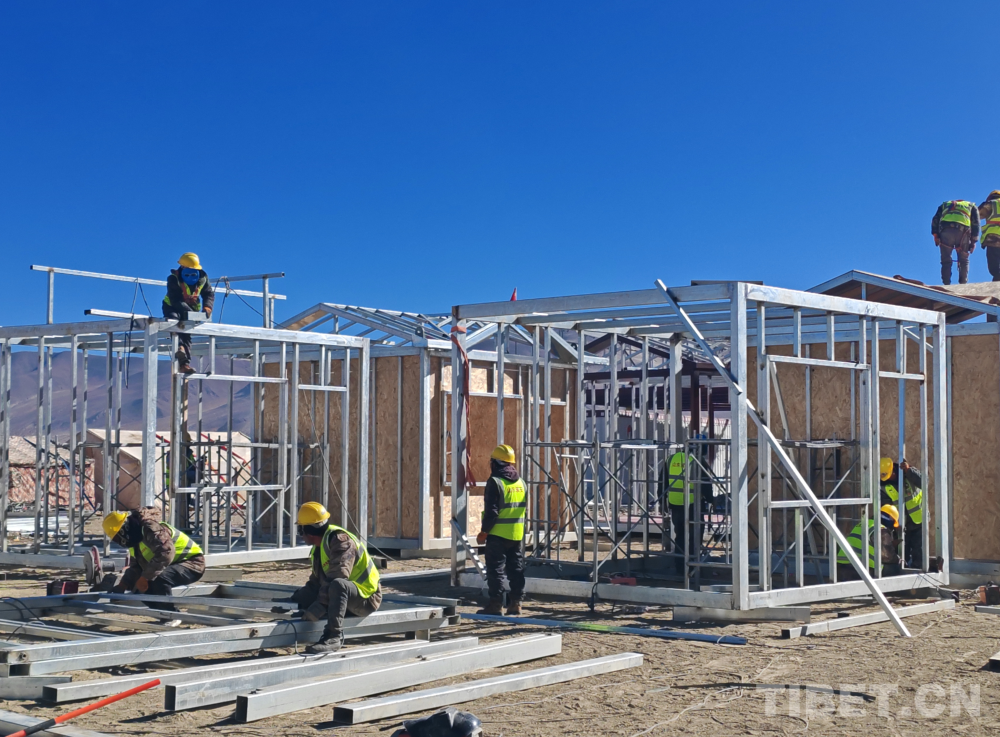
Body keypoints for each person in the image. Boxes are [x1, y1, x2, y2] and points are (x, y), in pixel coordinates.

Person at [287, 502, 382, 654]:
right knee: (322, 591)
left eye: (300, 530)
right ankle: (327, 620)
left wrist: (318, 608)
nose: (301, 535)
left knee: (338, 584)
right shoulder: (320, 547)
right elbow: (315, 584)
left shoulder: (341, 541)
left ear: (308, 531)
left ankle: (333, 636)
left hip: (366, 599)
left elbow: (338, 576)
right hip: (348, 599)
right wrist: (291, 602)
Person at [101, 508, 205, 607]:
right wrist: (122, 585)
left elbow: (166, 553)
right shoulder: (135, 540)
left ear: (124, 530)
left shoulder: (150, 529)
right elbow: (136, 567)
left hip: (192, 563)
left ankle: (169, 614)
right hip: (172, 564)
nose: (119, 542)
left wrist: (145, 577)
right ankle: (161, 613)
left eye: (117, 538)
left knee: (158, 578)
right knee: (139, 587)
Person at [475, 444, 526, 615]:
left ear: (495, 463)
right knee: (516, 569)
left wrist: (484, 532)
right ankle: (516, 603)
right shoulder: (521, 483)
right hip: (516, 534)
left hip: (497, 534)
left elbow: (492, 512)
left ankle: (496, 604)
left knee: (495, 570)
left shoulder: (495, 482)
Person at [163, 252, 215, 375]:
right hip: (172, 307)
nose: (190, 273)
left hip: (191, 308)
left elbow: (208, 293)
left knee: (186, 334)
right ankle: (179, 348)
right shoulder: (173, 279)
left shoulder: (202, 278)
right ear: (182, 267)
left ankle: (184, 364)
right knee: (174, 323)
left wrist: (207, 307)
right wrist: (190, 313)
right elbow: (175, 299)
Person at [879, 457, 924, 569]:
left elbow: (924, 482)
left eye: (890, 475)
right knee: (902, 553)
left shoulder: (908, 473)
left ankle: (919, 573)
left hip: (919, 520)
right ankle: (903, 573)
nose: (889, 479)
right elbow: (886, 507)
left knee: (919, 552)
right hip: (901, 525)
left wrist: (909, 471)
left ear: (893, 470)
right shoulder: (883, 486)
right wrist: (892, 525)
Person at [836, 504, 900, 580]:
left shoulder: (862, 524)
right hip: (860, 571)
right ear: (891, 519)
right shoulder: (881, 530)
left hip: (840, 568)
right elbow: (888, 556)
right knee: (895, 567)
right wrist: (898, 559)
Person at [660, 448, 695, 575]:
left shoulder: (670, 460)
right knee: (693, 538)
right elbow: (705, 484)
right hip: (692, 506)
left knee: (680, 537)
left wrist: (662, 502)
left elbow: (662, 483)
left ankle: (680, 567)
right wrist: (710, 499)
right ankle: (692, 568)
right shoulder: (695, 460)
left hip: (675, 505)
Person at [932, 200, 980, 285]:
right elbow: (976, 222)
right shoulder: (971, 205)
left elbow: (935, 219)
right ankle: (963, 283)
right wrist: (973, 241)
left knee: (946, 260)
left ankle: (946, 284)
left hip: (946, 230)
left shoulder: (945, 205)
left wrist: (936, 235)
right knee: (964, 260)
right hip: (963, 231)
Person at [979, 191, 1000, 282]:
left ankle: (997, 279)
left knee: (994, 264)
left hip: (994, 238)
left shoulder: (991, 203)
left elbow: (977, 215)